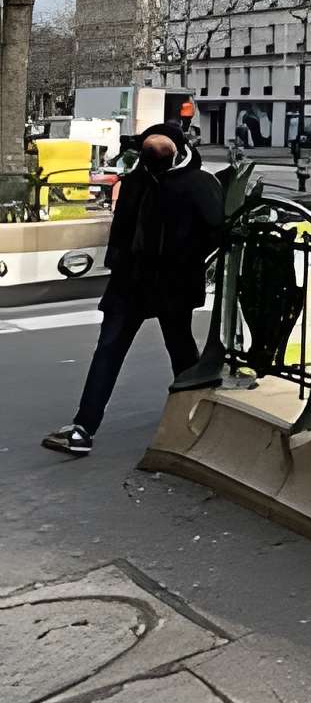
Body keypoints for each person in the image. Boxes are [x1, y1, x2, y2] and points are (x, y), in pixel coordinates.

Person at [42, 128, 226, 458]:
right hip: (139, 283)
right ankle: (194, 421)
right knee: (165, 349)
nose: (154, 155)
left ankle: (86, 429)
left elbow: (214, 232)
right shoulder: (171, 183)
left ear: (178, 149)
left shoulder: (190, 184)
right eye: (149, 149)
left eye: (160, 149)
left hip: (160, 283)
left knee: (150, 349)